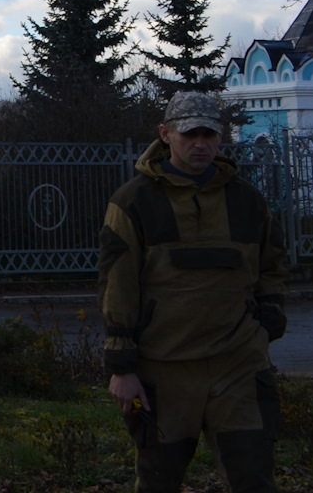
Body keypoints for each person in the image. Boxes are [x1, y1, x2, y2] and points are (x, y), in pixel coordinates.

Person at [99, 91, 287, 493]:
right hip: (163, 371)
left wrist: (269, 319)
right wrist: (122, 366)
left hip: (237, 367)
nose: (201, 143)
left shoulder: (246, 200)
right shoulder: (134, 202)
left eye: (209, 134)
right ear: (166, 134)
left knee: (254, 477)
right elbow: (118, 283)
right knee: (157, 480)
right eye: (190, 134)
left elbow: (272, 265)